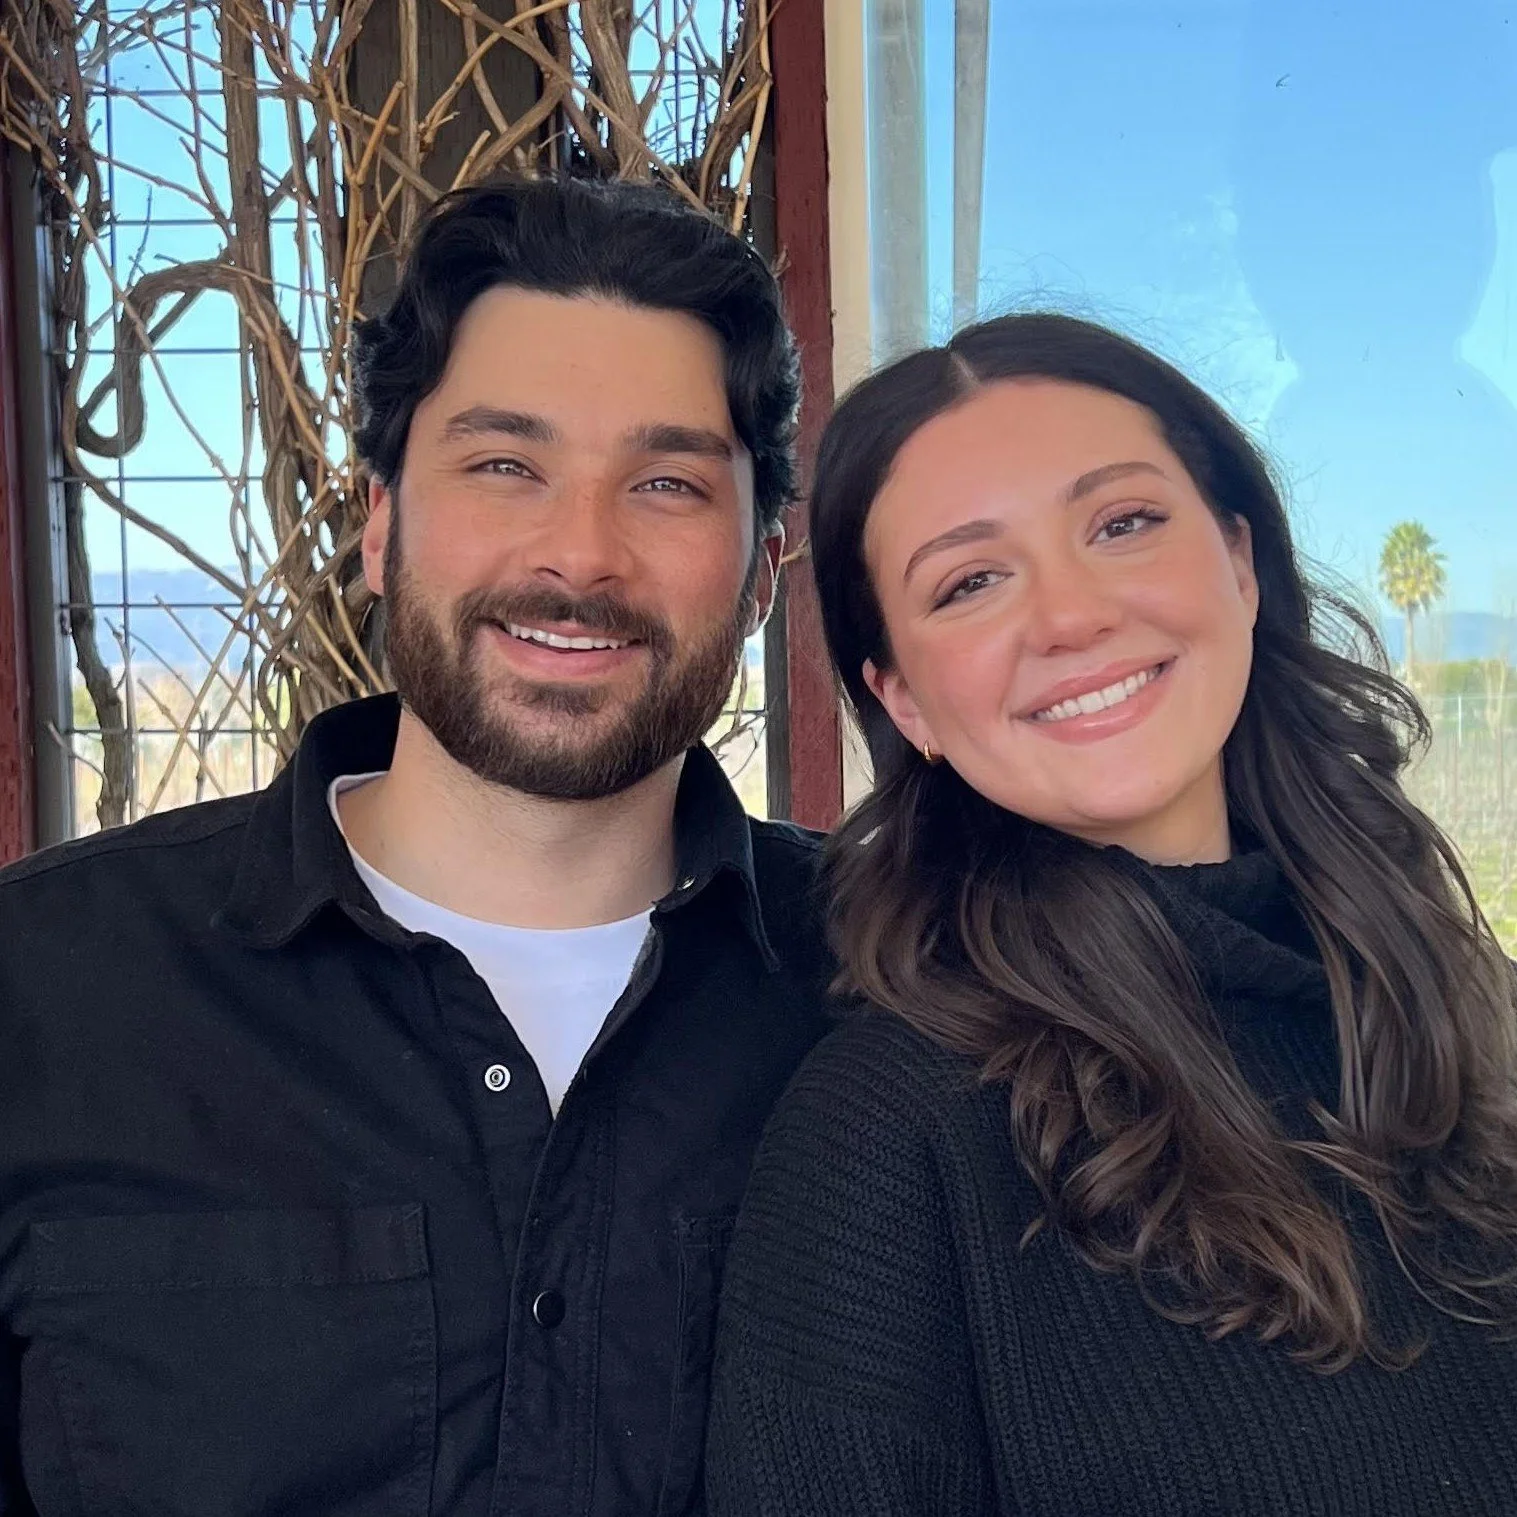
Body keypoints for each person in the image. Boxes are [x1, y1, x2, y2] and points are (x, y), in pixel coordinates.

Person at [0, 177, 833, 1517]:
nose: (580, 552)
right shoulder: (42, 995)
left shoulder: (905, 989)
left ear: (762, 559)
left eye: (668, 482)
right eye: (504, 464)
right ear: (380, 520)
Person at [706, 313, 1517, 1516]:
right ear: (903, 701)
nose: (1070, 613)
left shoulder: (1451, 991)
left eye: (1121, 522)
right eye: (969, 580)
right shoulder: (890, 1134)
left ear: (1238, 561)